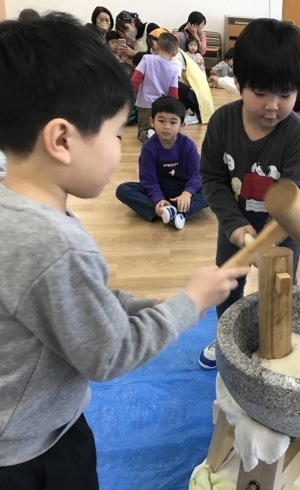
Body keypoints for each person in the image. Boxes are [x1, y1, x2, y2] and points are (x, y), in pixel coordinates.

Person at [0, 13, 249, 489]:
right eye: (116, 134)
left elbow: (65, 304)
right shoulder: (53, 244)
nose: (121, 149)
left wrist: (142, 306)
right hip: (31, 452)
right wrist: (190, 302)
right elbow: (109, 353)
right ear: (62, 139)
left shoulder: (15, 208)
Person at [198, 19, 300, 369]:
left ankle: (273, 339)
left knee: (280, 293)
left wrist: (267, 241)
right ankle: (226, 335)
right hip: (235, 227)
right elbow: (213, 179)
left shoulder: (297, 135)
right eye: (261, 92)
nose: (273, 105)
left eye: (286, 94)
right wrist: (235, 226)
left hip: (281, 234)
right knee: (229, 289)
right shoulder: (222, 123)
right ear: (241, 83)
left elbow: (294, 195)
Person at [116, 96, 208, 229]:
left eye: (173, 122)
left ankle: (171, 212)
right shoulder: (148, 148)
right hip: (160, 187)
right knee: (123, 190)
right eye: (161, 121)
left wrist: (187, 193)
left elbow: (197, 175)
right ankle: (173, 212)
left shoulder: (188, 146)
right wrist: (158, 199)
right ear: (152, 122)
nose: (166, 127)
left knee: (213, 188)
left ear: (182, 125)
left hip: (183, 187)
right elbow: (148, 180)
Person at [131, 32, 180, 142]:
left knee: (142, 130)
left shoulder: (147, 59)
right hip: (161, 106)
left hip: (145, 103)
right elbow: (173, 93)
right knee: (159, 126)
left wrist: (130, 94)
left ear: (157, 45)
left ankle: (148, 134)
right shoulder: (174, 70)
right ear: (175, 53)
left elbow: (136, 78)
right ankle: (157, 135)